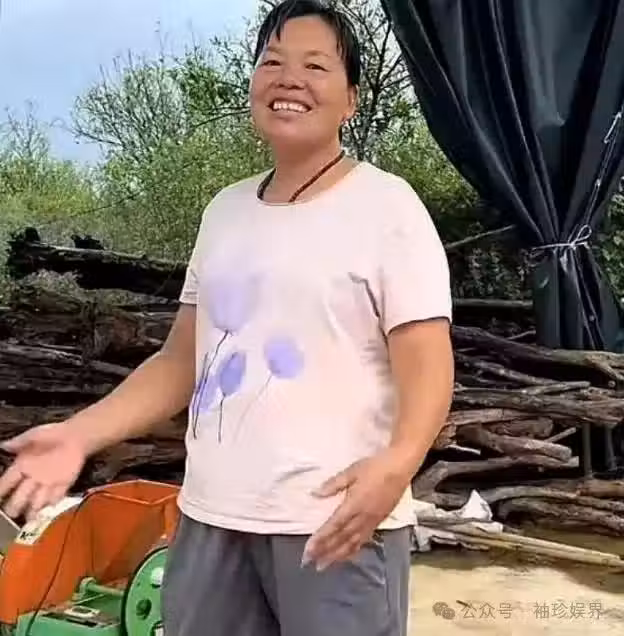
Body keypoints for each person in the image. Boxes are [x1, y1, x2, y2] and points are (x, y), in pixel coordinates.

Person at [0, 1, 454, 634]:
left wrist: (400, 462)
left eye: (315, 66)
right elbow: (181, 361)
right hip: (211, 517)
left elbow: (428, 360)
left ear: (351, 99)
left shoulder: (387, 207)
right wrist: (79, 434)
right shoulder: (225, 211)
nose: (289, 79)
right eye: (273, 62)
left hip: (335, 521)